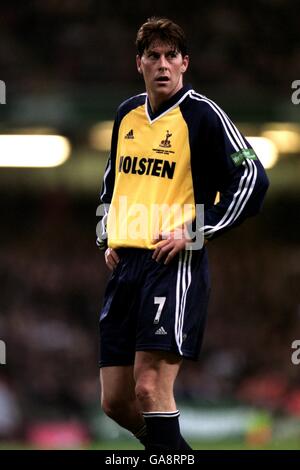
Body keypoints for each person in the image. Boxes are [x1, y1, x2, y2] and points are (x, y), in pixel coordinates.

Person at [96, 17, 269, 451]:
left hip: (173, 263)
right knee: (116, 401)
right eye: (153, 56)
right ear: (139, 63)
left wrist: (195, 230)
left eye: (171, 56)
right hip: (126, 266)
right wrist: (107, 234)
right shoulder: (126, 114)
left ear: (185, 63)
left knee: (150, 387)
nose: (162, 64)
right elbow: (112, 181)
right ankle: (172, 456)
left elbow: (252, 176)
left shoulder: (203, 114)